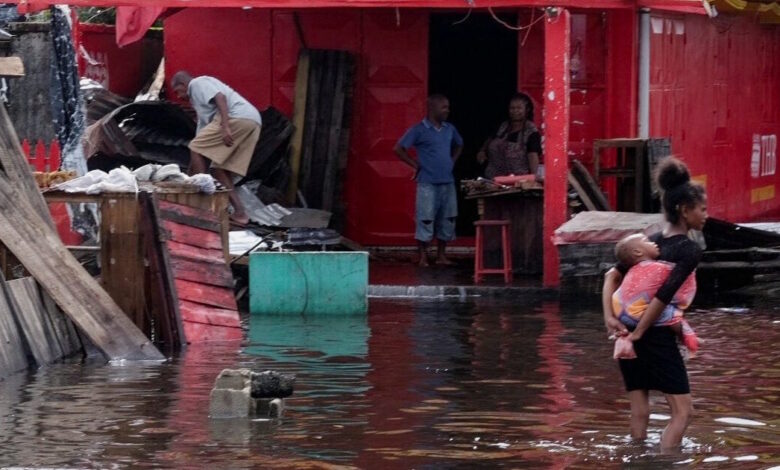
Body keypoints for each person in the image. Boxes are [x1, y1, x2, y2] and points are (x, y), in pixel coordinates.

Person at [602, 157, 708, 451]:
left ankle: (635, 459)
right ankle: (664, 462)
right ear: (684, 211)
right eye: (702, 209)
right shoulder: (688, 250)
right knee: (683, 412)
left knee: (640, 411)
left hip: (626, 335)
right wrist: (640, 334)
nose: (706, 215)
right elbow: (663, 297)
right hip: (655, 337)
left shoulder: (650, 242)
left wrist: (610, 318)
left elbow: (611, 276)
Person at [170, 71, 263, 226]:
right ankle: (240, 213)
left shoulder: (197, 84)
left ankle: (202, 203)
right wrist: (188, 176)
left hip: (237, 117)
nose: (179, 97)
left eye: (177, 91)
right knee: (218, 170)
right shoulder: (200, 105)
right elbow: (199, 142)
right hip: (252, 121)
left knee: (196, 149)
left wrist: (225, 125)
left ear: (183, 85)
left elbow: (220, 98)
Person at [394, 94, 464, 267]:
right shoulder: (418, 129)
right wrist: (415, 164)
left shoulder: (450, 129)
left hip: (447, 181)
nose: (447, 110)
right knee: (425, 218)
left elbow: (459, 144)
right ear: (432, 109)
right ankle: (423, 256)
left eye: (448, 107)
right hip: (427, 182)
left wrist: (452, 161)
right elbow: (398, 148)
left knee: (447, 218)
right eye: (444, 107)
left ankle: (441, 255)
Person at [611, 233, 699, 359]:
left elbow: (611, 277)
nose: (655, 244)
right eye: (647, 242)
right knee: (671, 313)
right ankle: (689, 337)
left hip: (620, 312)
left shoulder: (632, 270)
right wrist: (691, 270)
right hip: (635, 315)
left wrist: (610, 317)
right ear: (638, 252)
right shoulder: (658, 267)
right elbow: (680, 278)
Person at [476, 92, 542, 179]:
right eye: (512, 108)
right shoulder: (502, 126)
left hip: (517, 181)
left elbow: (533, 155)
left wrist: (533, 178)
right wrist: (482, 151)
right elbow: (490, 139)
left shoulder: (531, 131)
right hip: (493, 179)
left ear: (527, 109)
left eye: (519, 108)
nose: (515, 111)